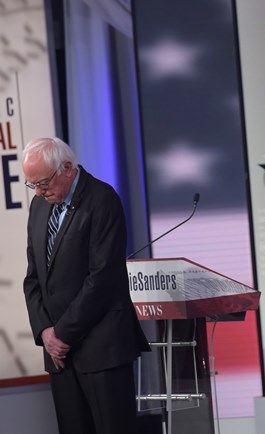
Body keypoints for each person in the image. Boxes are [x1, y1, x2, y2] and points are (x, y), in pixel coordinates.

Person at [22, 137, 150, 434]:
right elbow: (34, 278)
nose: (39, 193)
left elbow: (102, 279)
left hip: (101, 348)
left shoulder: (102, 200)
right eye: (34, 186)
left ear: (67, 167)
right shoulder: (39, 207)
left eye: (43, 183)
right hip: (60, 357)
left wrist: (62, 335)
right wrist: (45, 332)